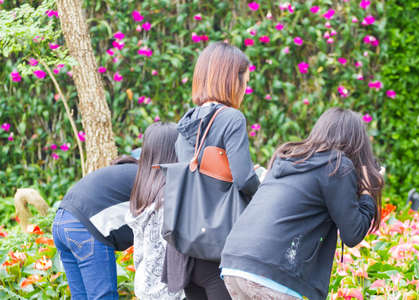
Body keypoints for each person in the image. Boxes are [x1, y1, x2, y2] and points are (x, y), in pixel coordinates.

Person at [220, 107, 384, 300]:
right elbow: (353, 233)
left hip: (234, 263)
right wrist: (367, 192)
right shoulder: (337, 165)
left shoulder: (289, 157)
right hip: (270, 273)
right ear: (357, 144)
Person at [167, 42, 260, 300]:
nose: (245, 89)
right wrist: (264, 193)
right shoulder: (231, 118)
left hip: (187, 248)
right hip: (218, 246)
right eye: (245, 81)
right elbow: (244, 180)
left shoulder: (187, 121)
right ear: (231, 80)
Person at [52, 155, 138, 299]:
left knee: (80, 297)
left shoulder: (124, 173)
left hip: (60, 222)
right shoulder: (148, 179)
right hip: (84, 226)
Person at [125, 122, 184, 300]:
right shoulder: (168, 197)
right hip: (167, 291)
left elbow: (139, 252)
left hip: (144, 286)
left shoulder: (143, 192)